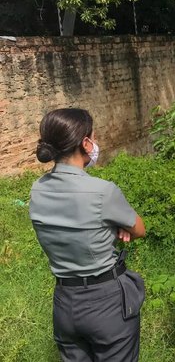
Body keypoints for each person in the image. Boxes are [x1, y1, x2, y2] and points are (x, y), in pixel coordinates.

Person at [29, 108, 146, 362]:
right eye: (93, 137)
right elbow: (139, 228)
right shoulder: (102, 191)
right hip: (106, 302)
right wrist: (114, 228)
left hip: (64, 302)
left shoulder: (37, 190)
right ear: (85, 143)